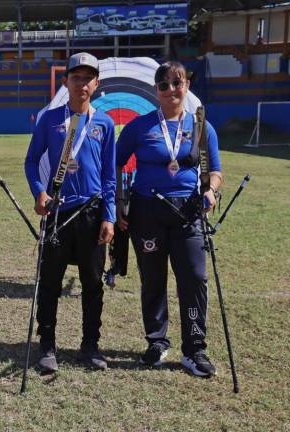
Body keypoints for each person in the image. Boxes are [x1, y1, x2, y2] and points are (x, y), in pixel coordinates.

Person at [116, 61, 223, 378]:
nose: (171, 89)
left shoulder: (201, 126)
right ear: (156, 91)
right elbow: (115, 164)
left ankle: (194, 349)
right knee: (153, 280)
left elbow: (214, 171)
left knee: (193, 278)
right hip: (147, 211)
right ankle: (157, 342)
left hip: (187, 213)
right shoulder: (139, 126)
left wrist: (211, 191)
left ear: (186, 86)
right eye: (164, 85)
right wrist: (121, 203)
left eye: (177, 83)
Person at [24, 52, 116, 373]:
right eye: (76, 77)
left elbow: (109, 176)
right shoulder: (50, 119)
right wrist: (39, 193)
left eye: (88, 78)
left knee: (93, 283)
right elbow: (31, 161)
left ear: (97, 83)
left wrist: (109, 216)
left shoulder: (105, 123)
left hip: (92, 214)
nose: (82, 84)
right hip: (58, 212)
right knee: (50, 282)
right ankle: (47, 346)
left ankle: (90, 346)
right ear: (66, 82)